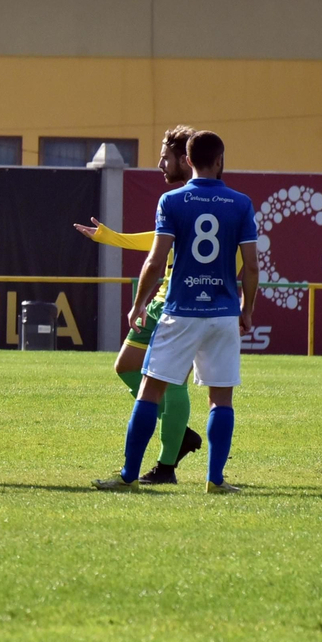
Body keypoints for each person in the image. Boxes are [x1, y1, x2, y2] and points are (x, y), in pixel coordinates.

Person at [97, 130, 258, 493]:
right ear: (219, 160)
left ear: (188, 160)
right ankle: (215, 481)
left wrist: (138, 303)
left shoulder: (171, 201)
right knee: (221, 398)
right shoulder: (241, 203)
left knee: (150, 391)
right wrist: (247, 309)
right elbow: (251, 266)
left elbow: (155, 261)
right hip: (222, 312)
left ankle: (127, 476)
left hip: (180, 309)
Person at [73, 127, 203, 484]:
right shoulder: (178, 200)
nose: (159, 164)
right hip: (164, 300)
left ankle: (166, 464)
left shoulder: (195, 200)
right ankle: (179, 436)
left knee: (169, 382)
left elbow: (234, 257)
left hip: (181, 305)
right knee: (127, 366)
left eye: (165, 157)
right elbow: (160, 243)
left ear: (185, 160)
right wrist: (111, 237)